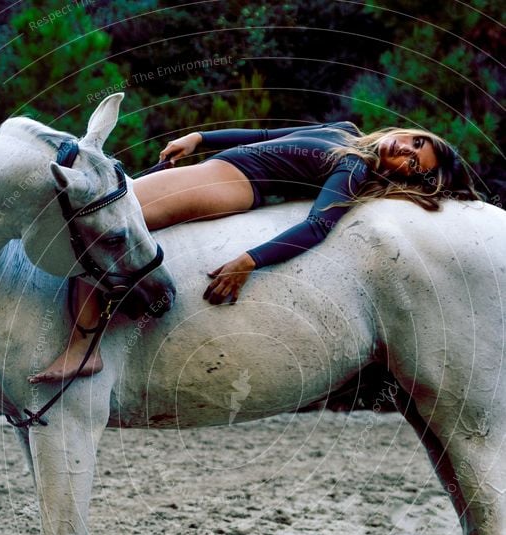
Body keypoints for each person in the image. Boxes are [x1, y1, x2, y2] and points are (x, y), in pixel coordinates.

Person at [29, 121, 481, 383]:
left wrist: (249, 260)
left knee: (104, 225)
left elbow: (317, 225)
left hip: (230, 185)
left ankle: (84, 347)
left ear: (404, 178)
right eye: (417, 142)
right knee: (101, 218)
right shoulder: (345, 132)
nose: (406, 150)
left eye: (413, 164)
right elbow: (267, 132)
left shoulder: (353, 168)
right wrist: (202, 138)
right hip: (220, 164)